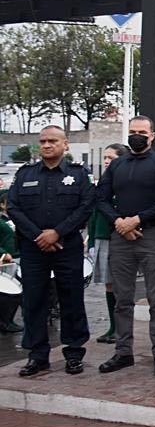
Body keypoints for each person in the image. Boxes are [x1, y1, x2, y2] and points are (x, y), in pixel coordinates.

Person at [7, 125, 95, 376]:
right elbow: (13, 207)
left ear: (65, 144)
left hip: (67, 246)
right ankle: (37, 355)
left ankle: (74, 353)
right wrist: (38, 236)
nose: (47, 145)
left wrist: (57, 232)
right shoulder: (25, 174)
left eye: (52, 141)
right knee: (33, 300)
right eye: (43, 141)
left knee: (71, 298)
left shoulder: (78, 175)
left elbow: (86, 206)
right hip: (33, 248)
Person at [96, 115, 155, 376]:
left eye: (141, 131)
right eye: (132, 131)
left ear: (152, 135)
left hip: (152, 236)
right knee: (122, 299)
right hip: (121, 237)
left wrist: (137, 220)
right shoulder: (117, 165)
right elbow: (102, 198)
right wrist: (119, 222)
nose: (136, 136)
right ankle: (123, 352)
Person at [86, 143, 129, 343]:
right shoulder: (103, 183)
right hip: (102, 237)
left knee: (120, 286)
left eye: (110, 158)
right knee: (108, 284)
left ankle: (121, 328)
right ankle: (113, 327)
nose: (106, 161)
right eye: (105, 158)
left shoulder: (126, 183)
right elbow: (94, 214)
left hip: (119, 237)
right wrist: (92, 240)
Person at [0, 191, 24, 334]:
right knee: (8, 293)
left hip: (18, 257)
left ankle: (9, 320)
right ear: (2, 205)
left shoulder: (14, 219)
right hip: (6, 260)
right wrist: (3, 253)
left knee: (18, 292)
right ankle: (5, 322)